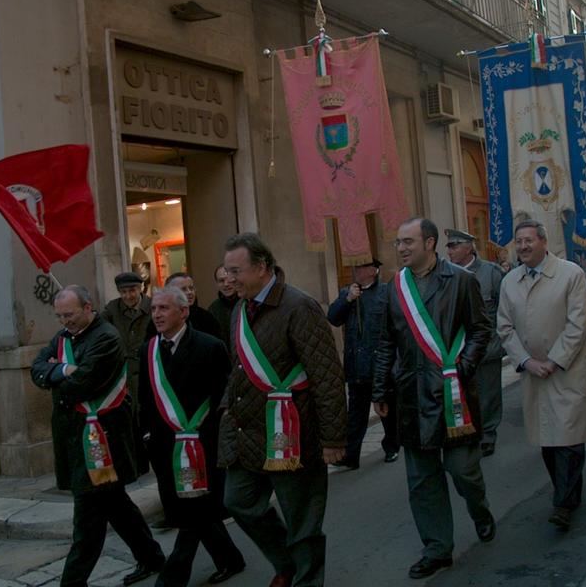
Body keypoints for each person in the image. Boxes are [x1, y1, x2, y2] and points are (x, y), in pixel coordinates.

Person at [218, 233, 347, 587]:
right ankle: (285, 562)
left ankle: (306, 579)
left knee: (302, 520)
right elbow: (239, 370)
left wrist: (334, 437)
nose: (228, 279)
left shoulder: (299, 306)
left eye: (235, 271)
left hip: (295, 433)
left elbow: (327, 375)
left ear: (261, 267)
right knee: (238, 500)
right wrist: (228, 409)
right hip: (248, 433)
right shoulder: (239, 310)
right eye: (226, 271)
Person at [373, 218, 494, 580]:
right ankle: (437, 548)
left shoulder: (460, 280)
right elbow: (385, 343)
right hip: (411, 393)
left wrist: (465, 365)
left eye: (408, 241)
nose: (402, 248)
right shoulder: (395, 288)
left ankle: (480, 509)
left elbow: (480, 329)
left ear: (429, 243)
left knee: (462, 470)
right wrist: (380, 389)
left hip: (452, 392)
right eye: (398, 242)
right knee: (422, 480)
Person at [30, 286, 165, 587]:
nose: (65, 321)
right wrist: (63, 369)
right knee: (117, 506)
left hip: (102, 440)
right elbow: (37, 368)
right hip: (76, 436)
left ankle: (73, 581)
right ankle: (152, 557)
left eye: (70, 314)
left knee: (88, 517)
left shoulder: (106, 337)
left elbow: (82, 384)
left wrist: (58, 376)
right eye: (60, 316)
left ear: (88, 308)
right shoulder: (64, 337)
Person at [140, 287, 245, 586]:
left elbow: (223, 396)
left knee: (193, 513)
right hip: (166, 447)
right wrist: (146, 436)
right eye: (154, 309)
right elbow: (145, 399)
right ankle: (230, 559)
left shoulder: (210, 346)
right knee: (196, 511)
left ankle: (172, 579)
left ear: (183, 312)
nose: (157, 314)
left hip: (202, 445)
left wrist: (216, 438)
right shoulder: (148, 350)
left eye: (164, 308)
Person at [497, 220, 586, 532]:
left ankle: (563, 503)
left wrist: (554, 360)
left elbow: (578, 323)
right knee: (548, 441)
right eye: (519, 242)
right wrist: (526, 361)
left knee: (569, 436)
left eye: (528, 241)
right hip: (534, 375)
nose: (523, 247)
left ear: (543, 241)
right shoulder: (510, 282)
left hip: (566, 371)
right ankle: (567, 492)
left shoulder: (570, 274)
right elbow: (505, 327)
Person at [327, 258, 399, 469]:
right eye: (355, 267)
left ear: (373, 271)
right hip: (356, 365)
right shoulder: (347, 293)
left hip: (379, 365)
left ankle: (392, 446)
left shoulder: (385, 293)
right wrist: (347, 299)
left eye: (361, 268)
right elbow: (333, 317)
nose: (356, 271)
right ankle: (351, 455)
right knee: (356, 415)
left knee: (386, 410)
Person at [444, 228, 505, 456]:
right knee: (466, 395)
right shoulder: (446, 275)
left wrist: (502, 341)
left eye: (454, 246)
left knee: (488, 394)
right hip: (458, 350)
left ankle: (488, 434)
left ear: (469, 247)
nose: (449, 251)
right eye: (448, 246)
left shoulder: (491, 273)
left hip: (487, 348)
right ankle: (472, 431)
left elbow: (504, 309)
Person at [102, 271, 152, 406]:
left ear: (140, 288)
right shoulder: (112, 308)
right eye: (123, 292)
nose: (128, 296)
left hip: (149, 368)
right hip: (123, 372)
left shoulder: (154, 306)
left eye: (132, 290)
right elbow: (98, 327)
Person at [161, 273, 222, 340]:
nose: (189, 292)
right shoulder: (160, 319)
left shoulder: (207, 318)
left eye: (191, 288)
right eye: (183, 289)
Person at [207, 265, 238, 346]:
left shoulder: (248, 303)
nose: (226, 284)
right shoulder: (213, 309)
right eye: (221, 280)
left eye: (229, 279)